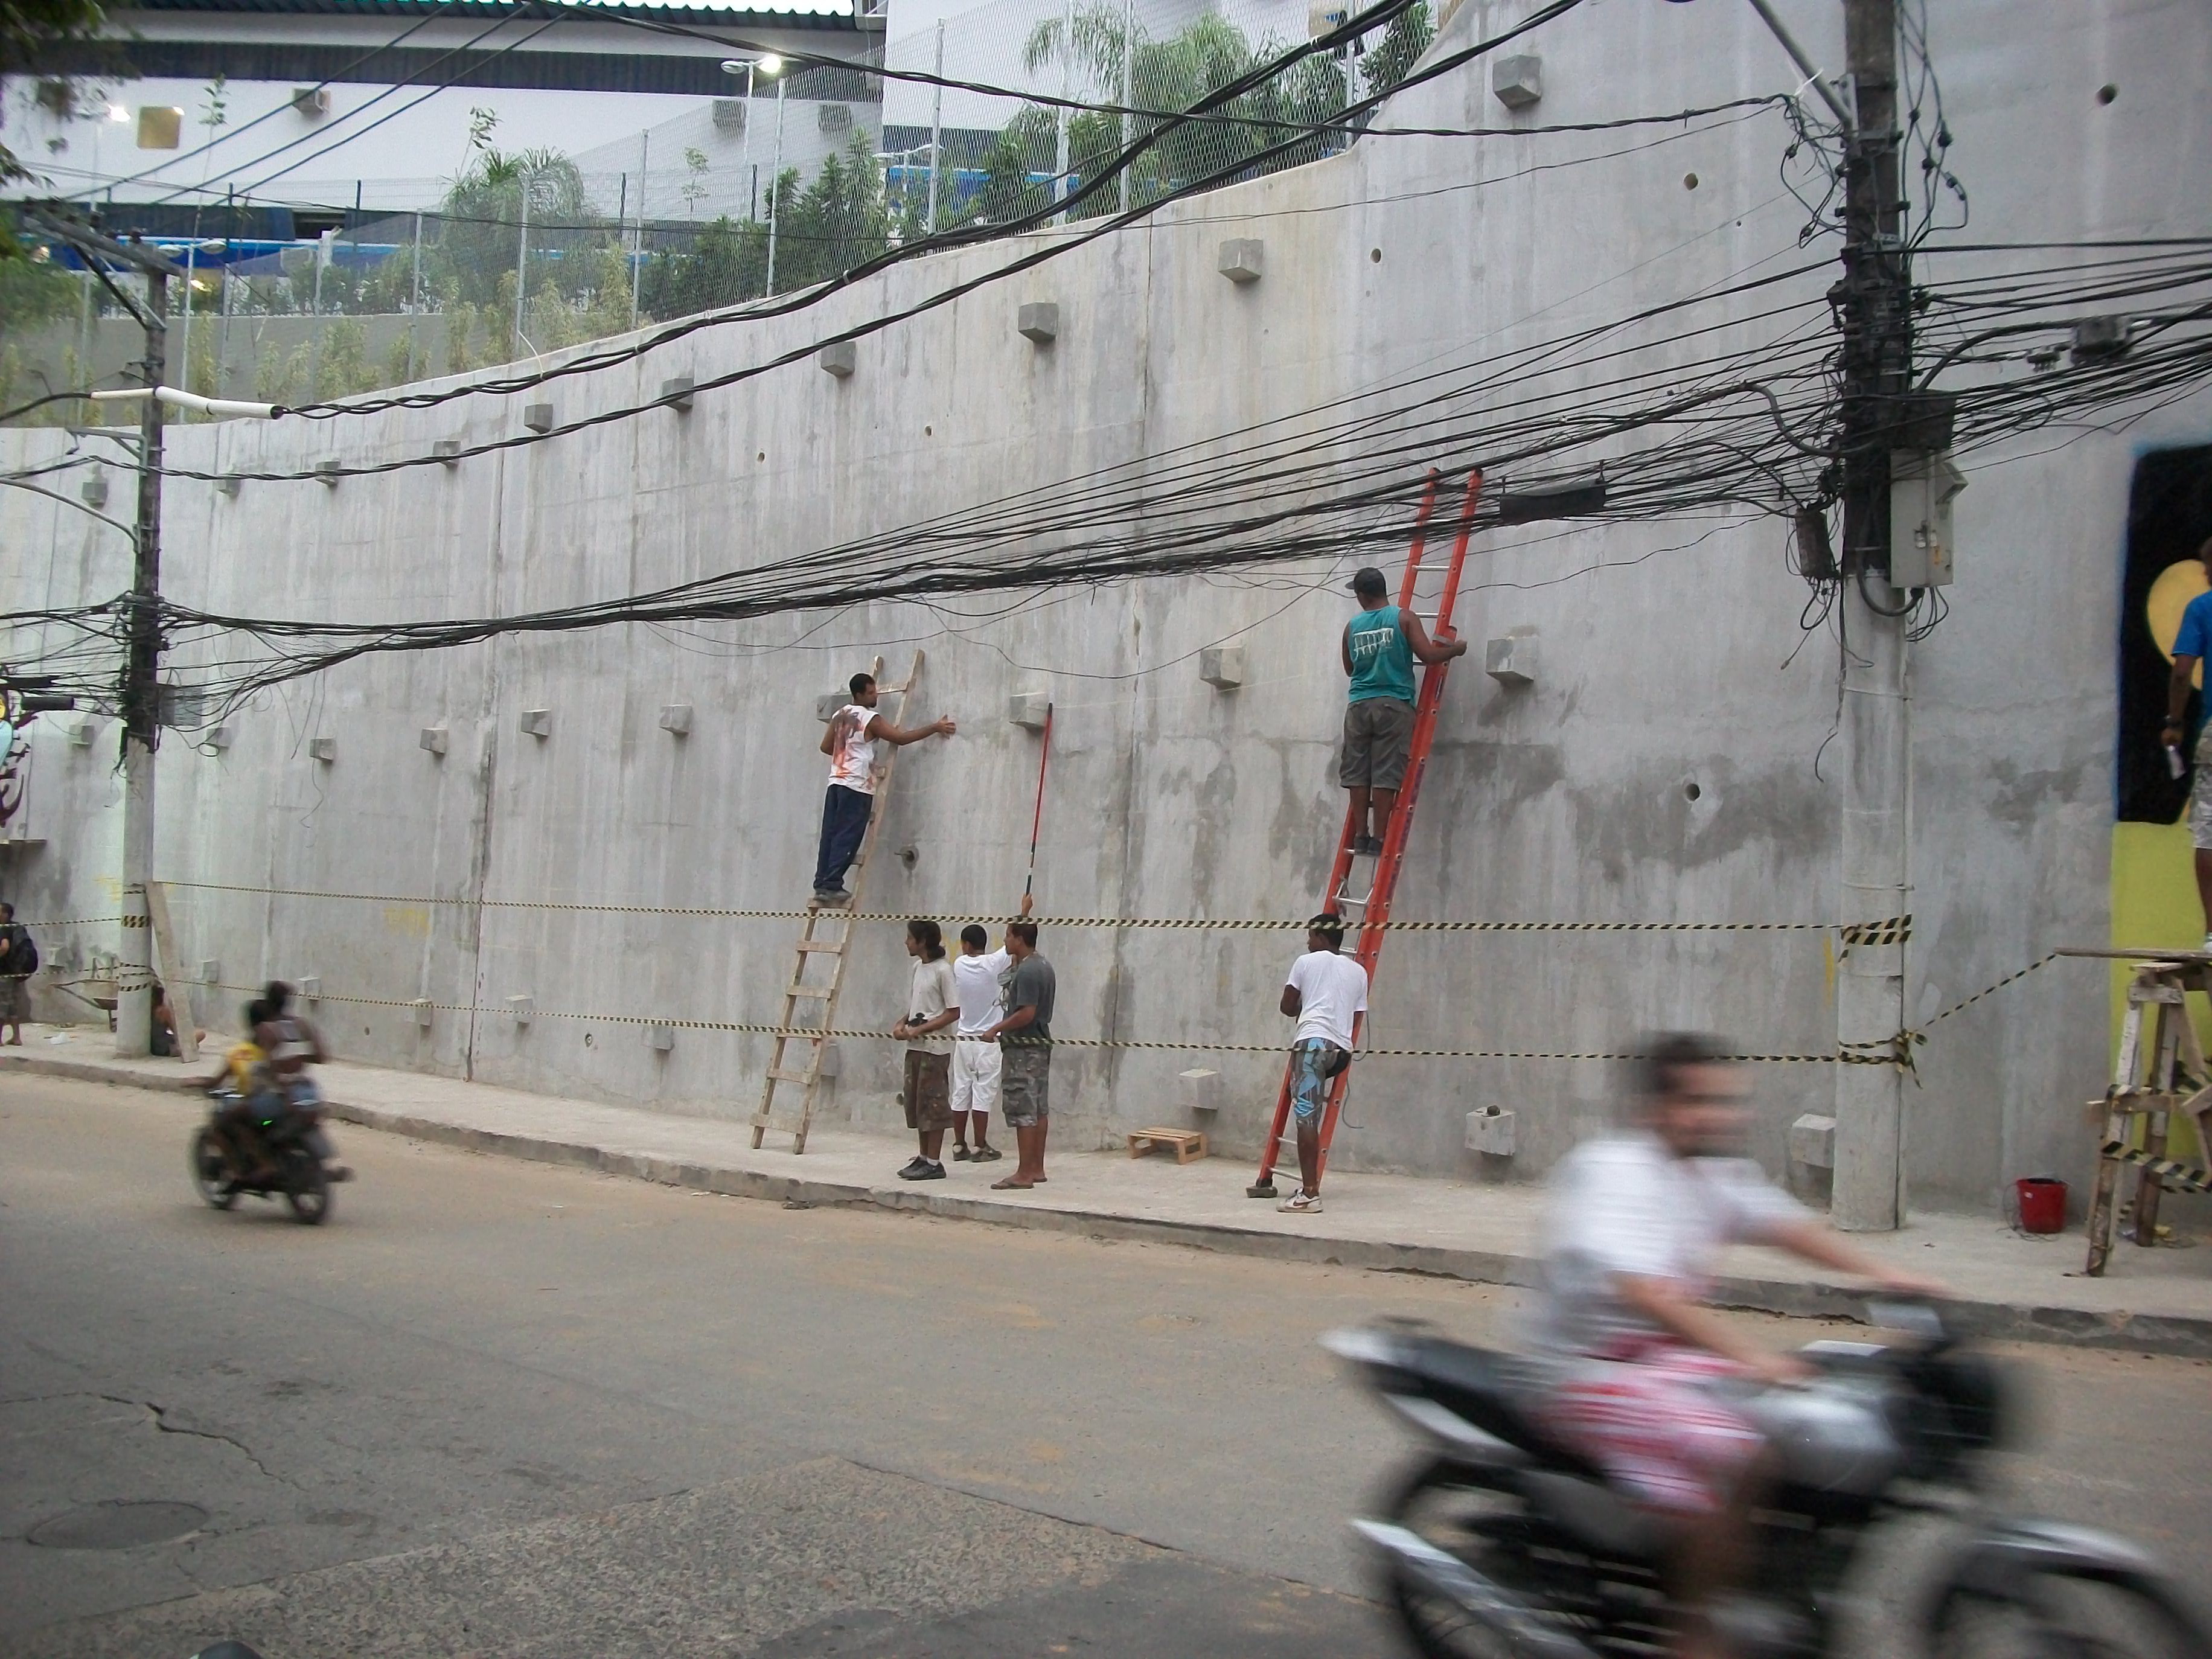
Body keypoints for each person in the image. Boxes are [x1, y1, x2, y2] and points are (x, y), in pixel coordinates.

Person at [1530, 1033, 1943, 1659]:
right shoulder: (1617, 1172)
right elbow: (1648, 1295)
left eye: (1725, 1102)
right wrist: (1752, 1358)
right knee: (1734, 1448)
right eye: (1699, 1101)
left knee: (1805, 1410)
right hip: (1581, 1370)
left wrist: (1884, 1276)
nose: (1718, 1116)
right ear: (1656, 1108)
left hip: (1653, 1358)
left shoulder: (1711, 1174)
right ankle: (1695, 1628)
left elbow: (1786, 1228)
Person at [1339, 566, 1466, 855]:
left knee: (1357, 771)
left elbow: (1349, 669)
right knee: (1385, 771)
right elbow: (1429, 656)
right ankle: (1380, 839)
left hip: (1359, 706)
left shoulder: (1352, 627)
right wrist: (1455, 650)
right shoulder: (1404, 618)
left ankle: (1361, 835)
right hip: (1394, 706)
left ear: (1361, 596)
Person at [814, 672, 956, 906]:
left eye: (875, 690)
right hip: (857, 786)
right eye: (870, 693)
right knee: (848, 835)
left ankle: (822, 882)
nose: (875, 695)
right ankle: (831, 884)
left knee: (830, 834)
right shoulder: (870, 718)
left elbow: (826, 747)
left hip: (836, 782)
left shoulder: (839, 715)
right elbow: (900, 738)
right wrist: (935, 727)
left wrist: (847, 753)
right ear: (858, 695)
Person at [1275, 912, 1368, 1215]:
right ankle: (1309, 1187)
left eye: (1311, 935)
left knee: (1306, 1118)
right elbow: (1355, 1019)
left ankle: (1310, 1194)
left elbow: (1287, 1007)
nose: (1307, 941)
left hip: (1311, 1046)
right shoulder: (1359, 972)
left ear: (1322, 938)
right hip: (1339, 1054)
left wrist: (1308, 1004)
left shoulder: (1306, 962)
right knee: (1311, 1112)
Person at [950, 893, 1032, 1163]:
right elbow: (1013, 945)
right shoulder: (993, 963)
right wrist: (1023, 911)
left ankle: (959, 1145)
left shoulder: (959, 964)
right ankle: (980, 1146)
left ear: (964, 945)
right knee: (982, 1093)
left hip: (963, 1039)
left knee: (961, 1090)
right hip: (989, 1039)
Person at [2161, 535, 2212, 950]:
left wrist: (2174, 721)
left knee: (2210, 836)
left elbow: (2182, 673)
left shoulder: (2202, 608)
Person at [979, 919, 1054, 1191]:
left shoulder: (1028, 972)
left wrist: (996, 1028)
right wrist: (1023, 912)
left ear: (1019, 939)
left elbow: (1026, 1012)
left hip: (1024, 1048)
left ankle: (1024, 1174)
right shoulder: (1041, 965)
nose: (1004, 940)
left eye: (1008, 936)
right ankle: (1036, 1168)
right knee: (1038, 1108)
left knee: (1024, 1109)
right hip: (1039, 1045)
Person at [892, 919, 960, 1180]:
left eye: (910, 938)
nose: (907, 942)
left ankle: (934, 1161)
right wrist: (902, 1023)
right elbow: (917, 1004)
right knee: (917, 1103)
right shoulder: (917, 968)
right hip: (916, 1046)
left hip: (935, 1049)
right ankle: (922, 1157)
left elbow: (953, 1012)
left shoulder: (944, 971)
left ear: (922, 942)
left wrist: (923, 1029)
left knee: (934, 1105)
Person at [0, 900, 32, 1045]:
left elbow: (4, 947)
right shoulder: (16, 927)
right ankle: (16, 1037)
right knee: (12, 1005)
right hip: (15, 972)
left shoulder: (3, 928)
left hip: (3, 972)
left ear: (5, 914)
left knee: (2, 1005)